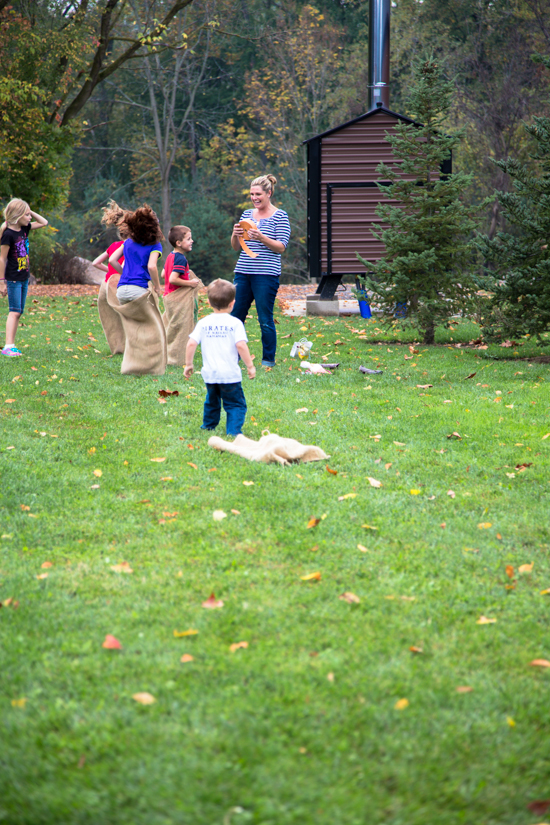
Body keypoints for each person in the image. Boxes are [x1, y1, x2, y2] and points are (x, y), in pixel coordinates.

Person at [230, 174, 291, 367]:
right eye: (251, 194)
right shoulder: (246, 215)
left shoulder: (280, 216)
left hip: (266, 275)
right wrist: (235, 235)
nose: (254, 198)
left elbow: (281, 247)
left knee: (265, 319)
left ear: (269, 193)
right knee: (235, 316)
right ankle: (233, 358)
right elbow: (236, 247)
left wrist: (261, 237)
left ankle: (268, 361)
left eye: (258, 194)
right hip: (243, 272)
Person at [184, 278, 255, 436]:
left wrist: (188, 364)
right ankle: (233, 431)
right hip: (230, 375)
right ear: (232, 303)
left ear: (209, 303)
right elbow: (241, 345)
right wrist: (250, 366)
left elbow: (190, 344)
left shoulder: (203, 323)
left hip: (210, 374)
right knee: (235, 404)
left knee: (212, 401)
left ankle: (208, 426)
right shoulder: (235, 323)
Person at [0, 199, 48, 356]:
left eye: (29, 214)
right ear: (18, 215)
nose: (30, 218)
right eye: (26, 215)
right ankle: (8, 346)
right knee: (14, 311)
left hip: (23, 276)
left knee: (18, 311)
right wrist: (1, 282)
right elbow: (2, 259)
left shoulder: (24, 229)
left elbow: (44, 222)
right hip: (13, 277)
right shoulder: (8, 234)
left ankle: (11, 344)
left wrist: (29, 210)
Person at [109, 204, 163, 302]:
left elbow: (112, 260)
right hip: (139, 289)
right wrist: (157, 286)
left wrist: (124, 274)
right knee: (148, 317)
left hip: (121, 290)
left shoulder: (128, 242)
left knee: (128, 318)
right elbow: (151, 266)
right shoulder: (155, 245)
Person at [92, 200, 131, 280]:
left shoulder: (114, 245)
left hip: (108, 282)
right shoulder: (131, 247)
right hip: (121, 283)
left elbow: (95, 263)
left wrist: (111, 271)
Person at [162, 225, 200, 296]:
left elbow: (163, 274)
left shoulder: (170, 256)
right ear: (178, 243)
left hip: (168, 295)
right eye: (188, 239)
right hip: (178, 297)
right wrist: (190, 283)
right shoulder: (181, 259)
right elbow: (173, 279)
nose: (192, 241)